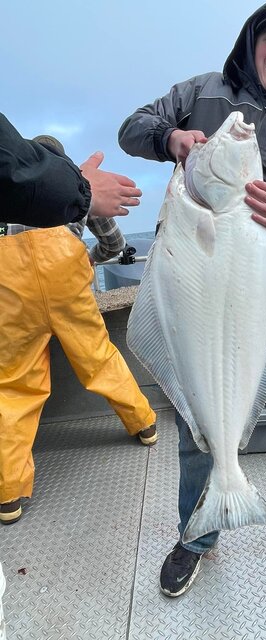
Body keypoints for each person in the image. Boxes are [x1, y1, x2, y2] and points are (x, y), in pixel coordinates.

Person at [118, 0, 266, 601]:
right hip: (198, 297)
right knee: (196, 427)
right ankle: (196, 536)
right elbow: (131, 129)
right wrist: (170, 136)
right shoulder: (201, 92)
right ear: (251, 43)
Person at [0, 135, 158, 526]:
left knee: (14, 385)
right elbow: (114, 246)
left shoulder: (9, 196)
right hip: (69, 288)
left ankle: (9, 494)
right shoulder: (76, 190)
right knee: (98, 358)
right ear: (63, 163)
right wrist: (82, 260)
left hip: (13, 295)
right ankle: (144, 425)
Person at [0, 112, 142, 227]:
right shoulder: (88, 197)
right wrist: (83, 189)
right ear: (63, 159)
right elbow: (113, 245)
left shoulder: (9, 211)